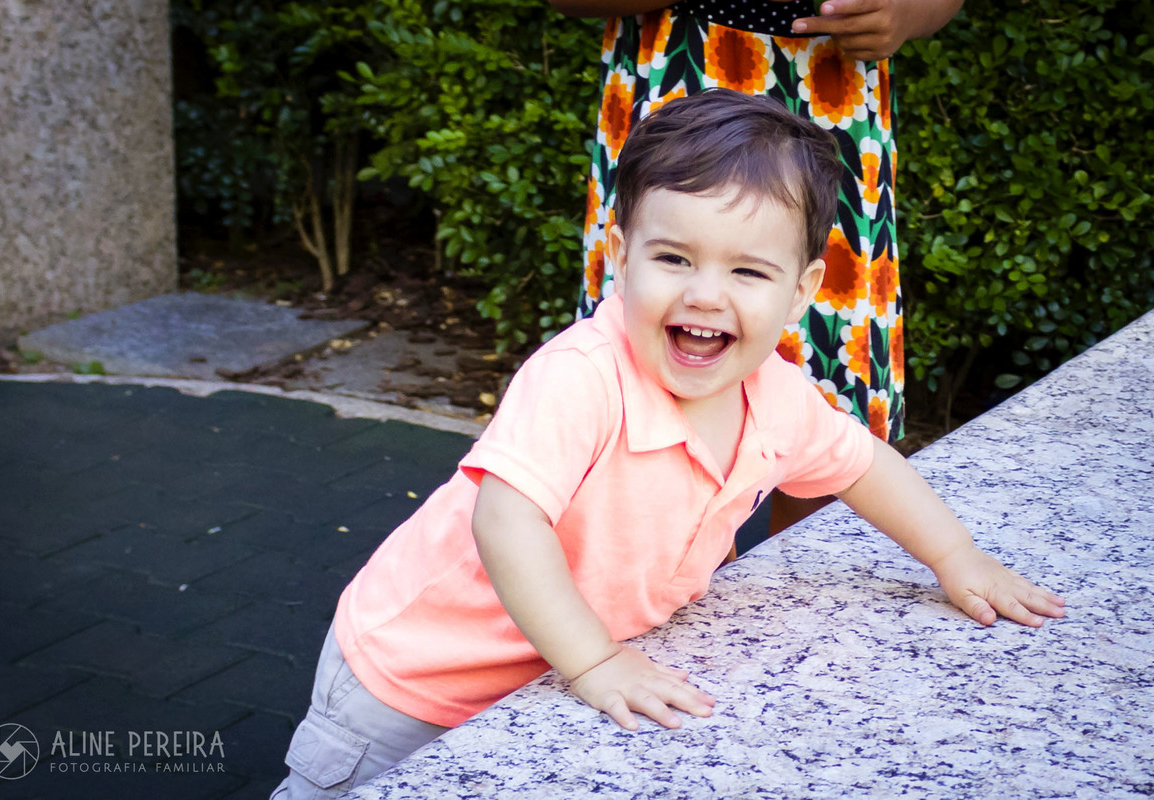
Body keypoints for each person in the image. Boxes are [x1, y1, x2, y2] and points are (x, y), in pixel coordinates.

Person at [272, 90, 1064, 798]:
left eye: (748, 271)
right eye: (673, 257)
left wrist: (956, 556)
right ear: (620, 257)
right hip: (414, 679)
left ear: (803, 290)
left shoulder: (776, 398)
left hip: (549, 677)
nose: (704, 294)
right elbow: (505, 523)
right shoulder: (581, 378)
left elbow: (863, 466)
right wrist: (595, 661)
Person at [554, 0, 964, 545]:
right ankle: (653, 587)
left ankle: (786, 607)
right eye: (674, 259)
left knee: (828, 379)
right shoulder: (566, 379)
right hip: (682, 72)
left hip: (831, 91)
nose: (706, 294)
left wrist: (908, 12)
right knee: (638, 392)